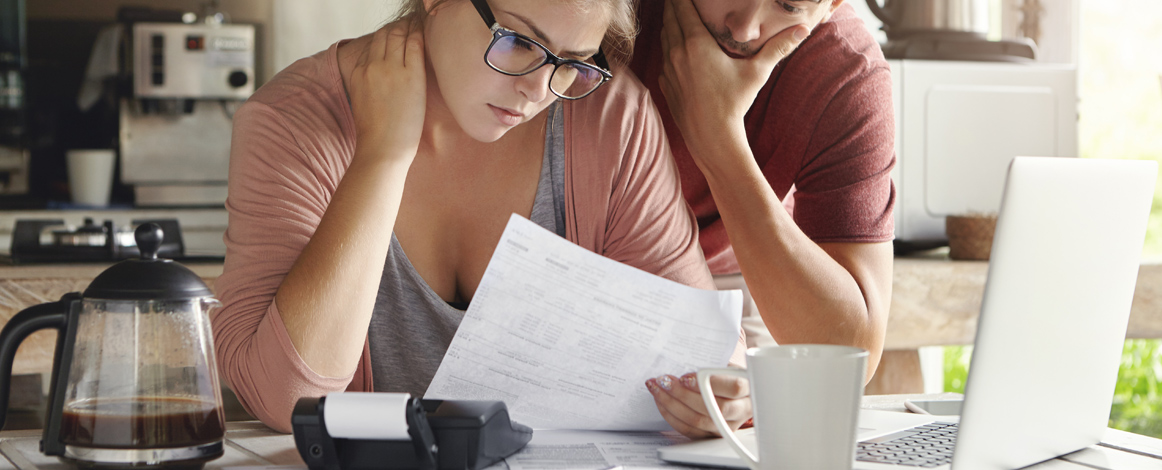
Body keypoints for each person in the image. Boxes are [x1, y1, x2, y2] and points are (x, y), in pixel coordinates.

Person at [211, 0, 750, 435]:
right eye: (517, 42)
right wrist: (383, 156)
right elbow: (286, 399)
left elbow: (700, 353)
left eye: (571, 63)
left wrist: (722, 392)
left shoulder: (608, 116)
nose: (538, 91)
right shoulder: (293, 123)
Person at [632, 0, 896, 437]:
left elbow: (851, 356)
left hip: (738, 272)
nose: (744, 27)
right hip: (581, 245)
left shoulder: (845, 70)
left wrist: (717, 137)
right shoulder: (612, 13)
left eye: (788, 4)